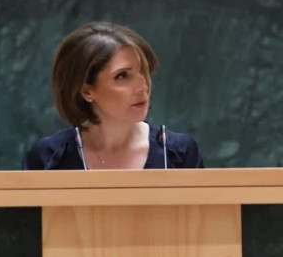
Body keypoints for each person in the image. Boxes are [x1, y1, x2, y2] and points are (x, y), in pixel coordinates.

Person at [23, 22, 203, 170]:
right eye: (122, 76)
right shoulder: (49, 157)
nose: (143, 87)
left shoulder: (179, 153)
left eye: (143, 71)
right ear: (86, 90)